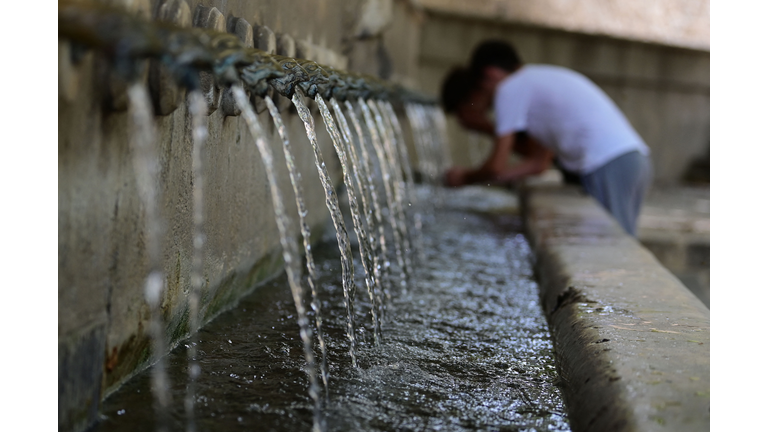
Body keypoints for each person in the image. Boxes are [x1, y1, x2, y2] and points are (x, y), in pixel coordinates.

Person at [440, 40, 652, 236]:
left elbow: (496, 166)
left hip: (607, 162)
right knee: (619, 239)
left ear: (490, 74)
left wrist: (464, 178)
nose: (484, 94)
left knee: (613, 246)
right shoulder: (533, 81)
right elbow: (538, 162)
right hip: (630, 159)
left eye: (480, 86)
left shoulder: (509, 89)